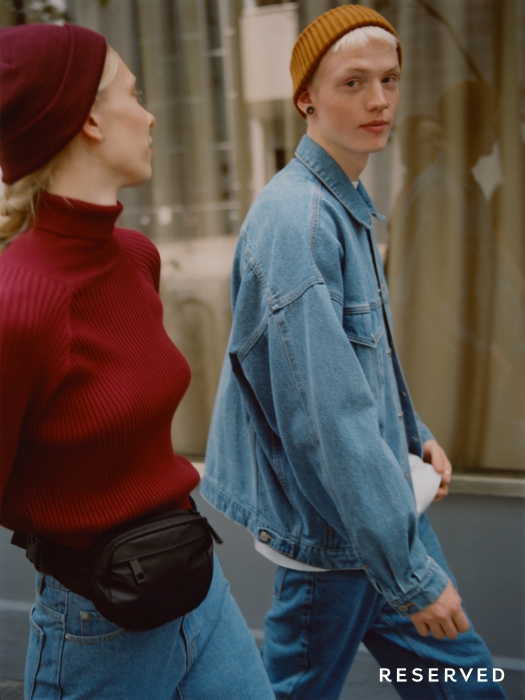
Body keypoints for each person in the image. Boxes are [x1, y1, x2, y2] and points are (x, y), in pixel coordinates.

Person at [201, 6, 506, 699]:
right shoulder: (300, 220)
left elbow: (355, 367)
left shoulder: (342, 201)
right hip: (344, 537)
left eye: (389, 79)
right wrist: (410, 577)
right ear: (305, 97)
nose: (378, 100)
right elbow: (325, 417)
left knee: (463, 684)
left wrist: (412, 433)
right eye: (353, 82)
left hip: (373, 518)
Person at [0, 22, 274, 700]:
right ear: (88, 119)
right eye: (134, 93)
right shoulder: (18, 301)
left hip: (197, 589)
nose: (150, 116)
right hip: (96, 625)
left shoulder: (135, 256)